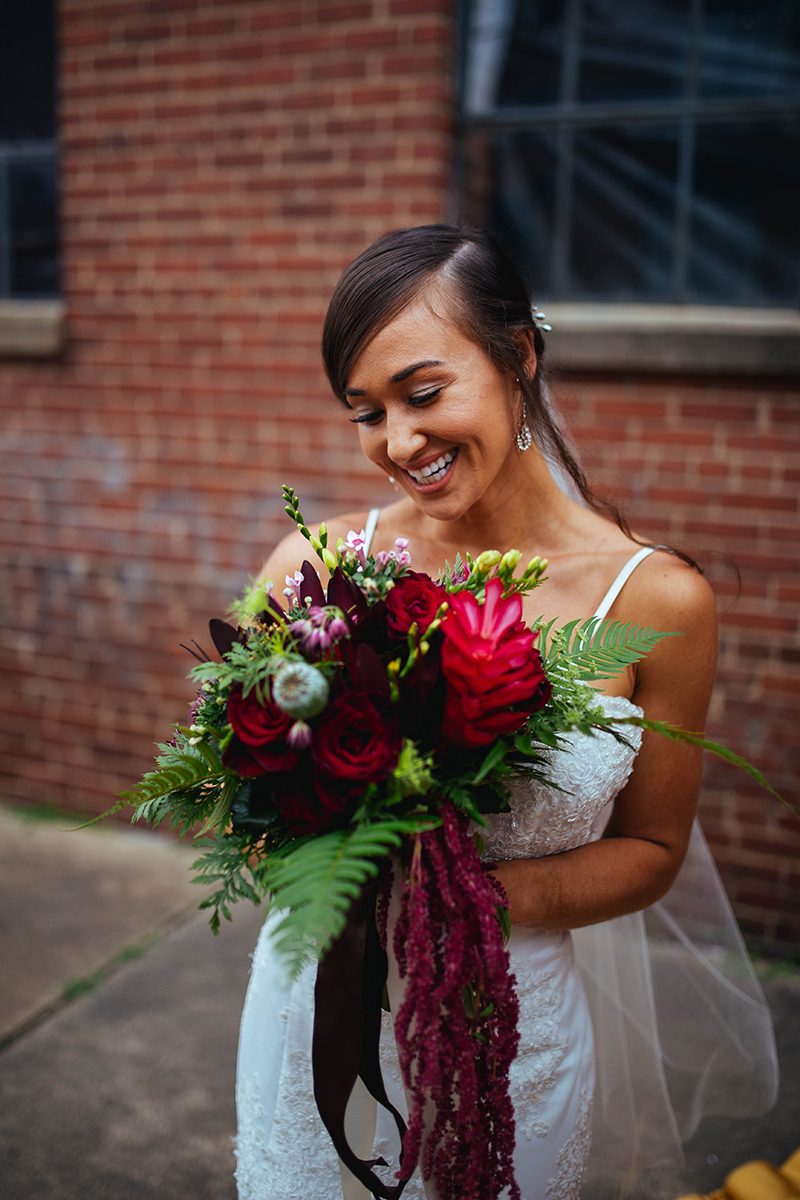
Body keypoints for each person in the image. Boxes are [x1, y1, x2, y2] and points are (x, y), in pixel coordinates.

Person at [233, 226, 777, 1200]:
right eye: (363, 412)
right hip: (317, 1009)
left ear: (518, 356)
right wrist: (301, 835)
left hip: (510, 1022)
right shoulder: (313, 566)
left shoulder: (655, 604)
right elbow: (233, 792)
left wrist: (466, 902)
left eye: (423, 393)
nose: (396, 444)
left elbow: (651, 851)